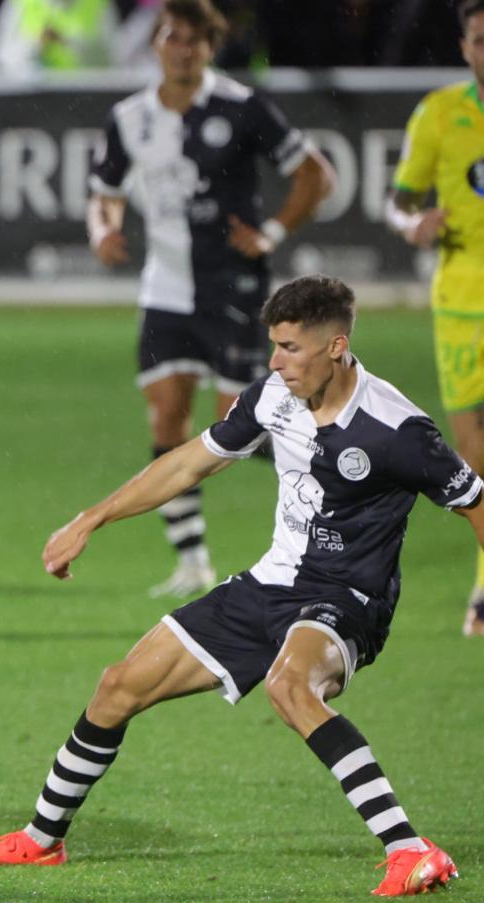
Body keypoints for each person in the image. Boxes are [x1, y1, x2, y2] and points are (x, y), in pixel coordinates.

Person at [0, 275, 481, 897]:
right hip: (270, 584)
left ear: (336, 347)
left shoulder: (397, 429)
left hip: (347, 598)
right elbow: (187, 463)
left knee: (290, 686)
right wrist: (91, 519)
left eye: (290, 348)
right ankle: (41, 841)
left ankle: (409, 849)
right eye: (274, 345)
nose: (275, 362)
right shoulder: (273, 397)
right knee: (119, 686)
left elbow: (475, 502)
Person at [87, 0, 335, 598]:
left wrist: (270, 232)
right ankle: (193, 561)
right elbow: (105, 191)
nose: (183, 49)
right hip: (166, 289)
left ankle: (335, 472)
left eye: (195, 40)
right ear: (156, 44)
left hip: (234, 288)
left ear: (210, 47)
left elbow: (315, 174)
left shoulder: (241, 106)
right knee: (166, 418)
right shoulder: (130, 118)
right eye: (173, 37)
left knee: (239, 426)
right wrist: (103, 232)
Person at [386, 0, 484, 635]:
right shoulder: (440, 114)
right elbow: (398, 202)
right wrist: (412, 225)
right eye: (480, 39)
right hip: (462, 305)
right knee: (474, 457)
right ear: (464, 46)